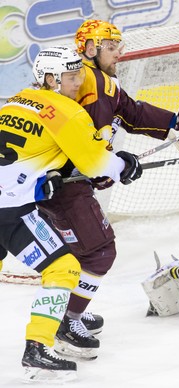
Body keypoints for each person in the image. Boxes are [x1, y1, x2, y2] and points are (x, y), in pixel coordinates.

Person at [35, 19, 179, 360]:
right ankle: (68, 321)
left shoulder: (94, 80)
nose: (120, 52)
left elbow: (131, 113)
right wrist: (100, 167)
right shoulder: (85, 80)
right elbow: (80, 131)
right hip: (64, 184)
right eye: (112, 46)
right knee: (100, 251)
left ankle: (65, 312)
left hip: (54, 182)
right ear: (90, 48)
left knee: (75, 254)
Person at [0, 46, 142, 383]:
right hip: (11, 214)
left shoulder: (15, 101)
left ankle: (45, 340)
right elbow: (97, 163)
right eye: (71, 75)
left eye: (79, 73)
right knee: (63, 268)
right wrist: (126, 165)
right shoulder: (68, 112)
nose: (79, 81)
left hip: (9, 204)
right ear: (50, 79)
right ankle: (38, 347)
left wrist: (41, 181)